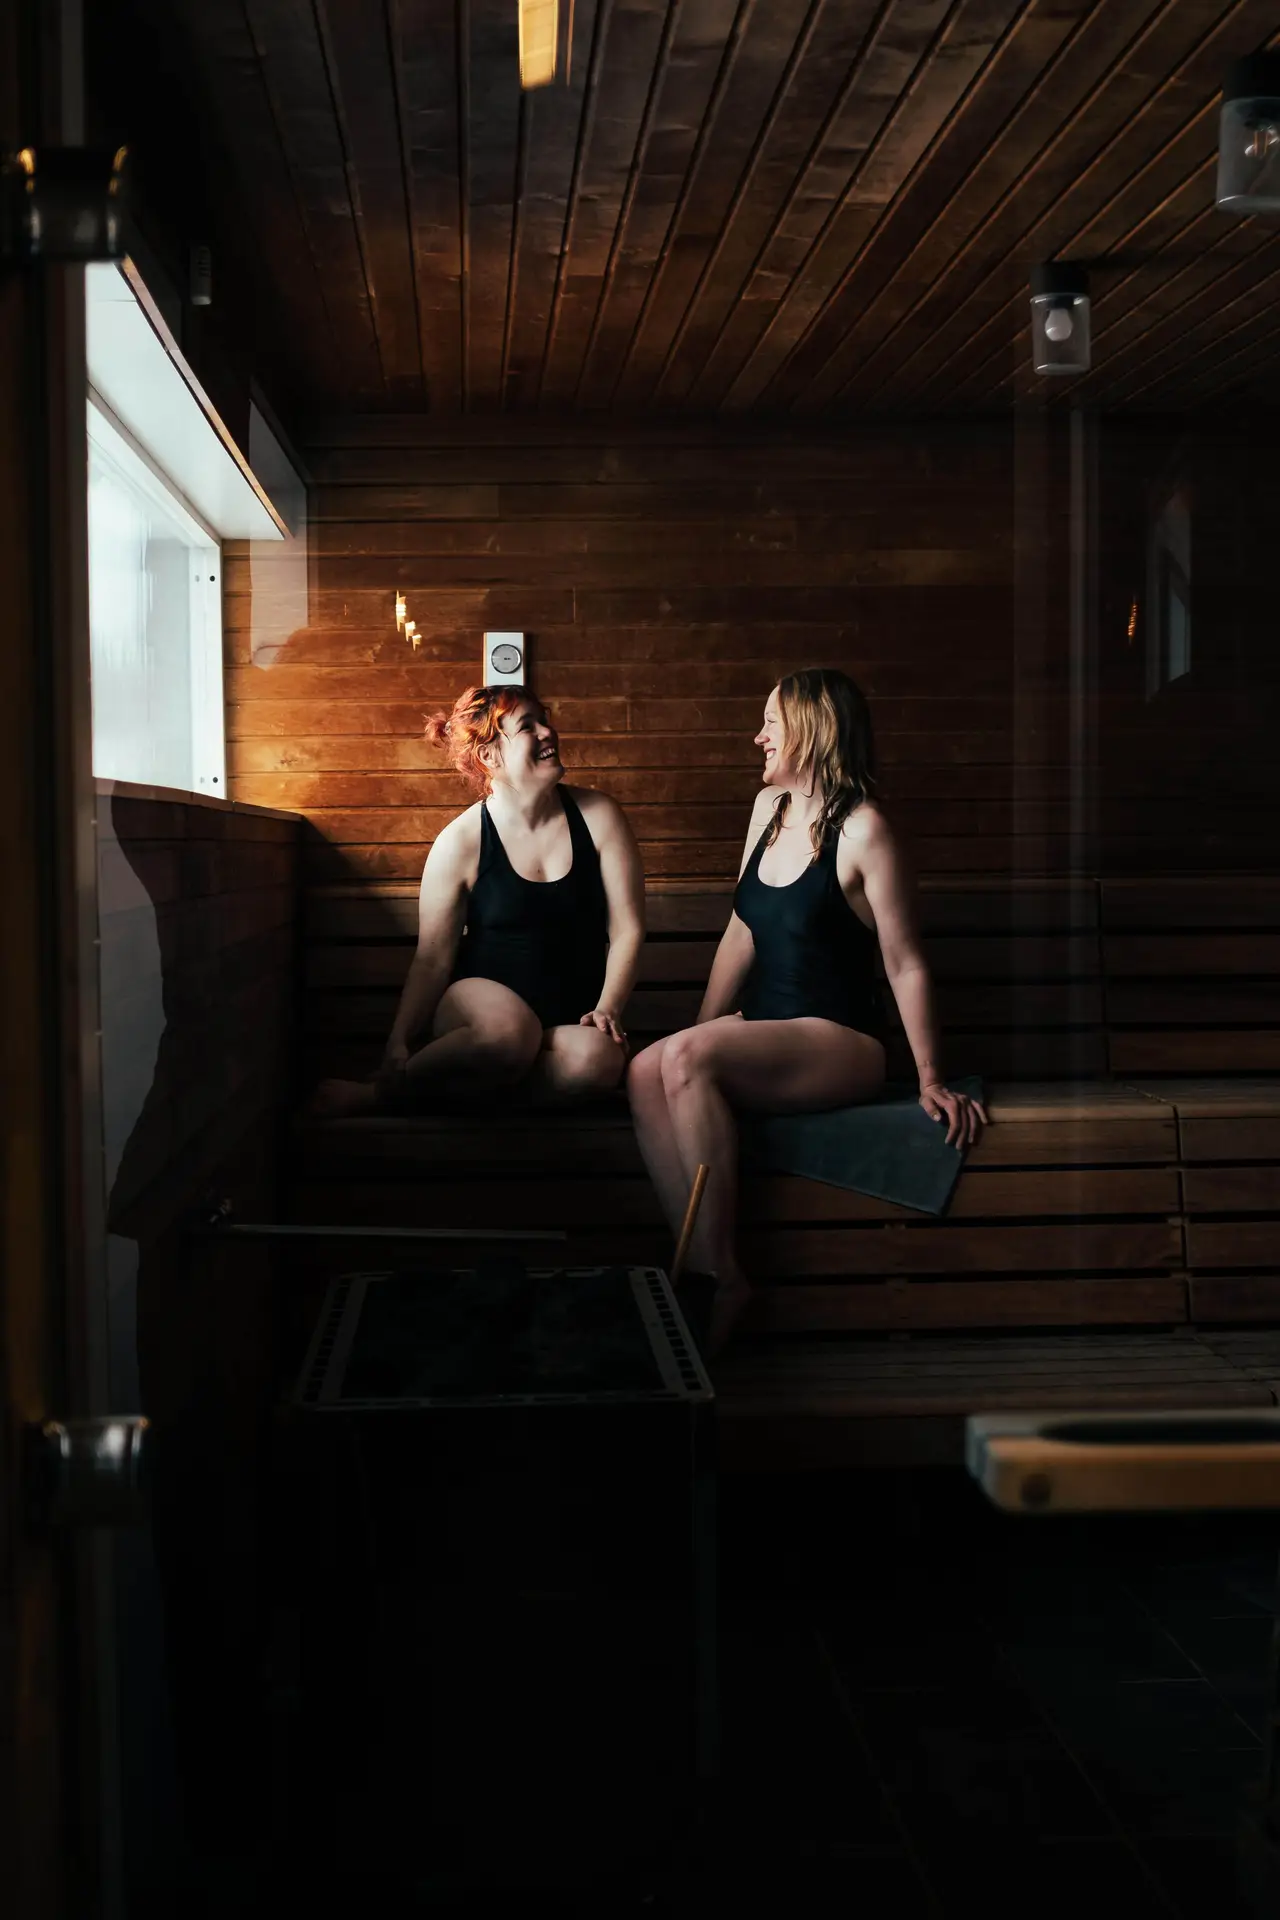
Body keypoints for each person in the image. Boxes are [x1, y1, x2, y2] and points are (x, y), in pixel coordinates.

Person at [627, 667, 987, 1353]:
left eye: (771, 723)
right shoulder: (768, 810)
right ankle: (699, 1263)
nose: (758, 737)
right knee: (648, 1070)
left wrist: (930, 1077)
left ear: (811, 730)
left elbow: (904, 961)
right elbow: (742, 930)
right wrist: (698, 1031)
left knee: (685, 1059)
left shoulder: (865, 830)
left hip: (840, 1037)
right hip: (766, 1026)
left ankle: (723, 1279)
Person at [312, 685, 644, 1116]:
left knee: (597, 1061)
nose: (548, 732)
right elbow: (432, 959)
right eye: (528, 727)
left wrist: (607, 1009)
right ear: (489, 755)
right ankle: (381, 1094)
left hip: (563, 1020)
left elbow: (627, 929)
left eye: (545, 720)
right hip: (479, 1009)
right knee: (508, 1034)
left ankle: (477, 1094)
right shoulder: (461, 841)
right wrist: (399, 1039)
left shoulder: (600, 816)